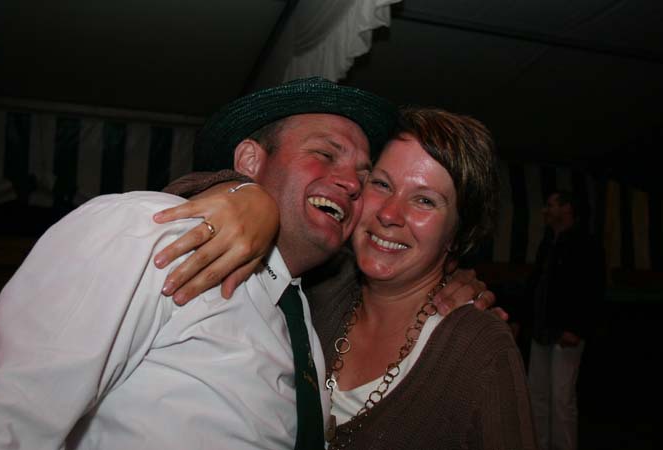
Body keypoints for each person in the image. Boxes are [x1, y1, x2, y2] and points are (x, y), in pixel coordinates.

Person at [0, 78, 488, 449]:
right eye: (325, 154)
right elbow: (9, 416)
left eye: (364, 173)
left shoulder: (304, 321)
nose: (353, 183)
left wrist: (453, 281)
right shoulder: (152, 231)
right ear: (250, 161)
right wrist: (239, 194)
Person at [156, 107, 539, 449]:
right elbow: (169, 218)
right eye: (382, 184)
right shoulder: (316, 287)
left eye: (425, 200)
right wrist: (241, 192)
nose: (389, 214)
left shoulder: (480, 348)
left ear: (457, 233)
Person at [525, 190, 605, 450]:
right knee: (537, 394)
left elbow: (592, 290)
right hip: (542, 329)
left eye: (551, 205)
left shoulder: (585, 243)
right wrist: (525, 321)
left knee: (561, 398)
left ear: (567, 208)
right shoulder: (549, 241)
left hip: (566, 332)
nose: (545, 211)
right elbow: (537, 285)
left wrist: (576, 328)